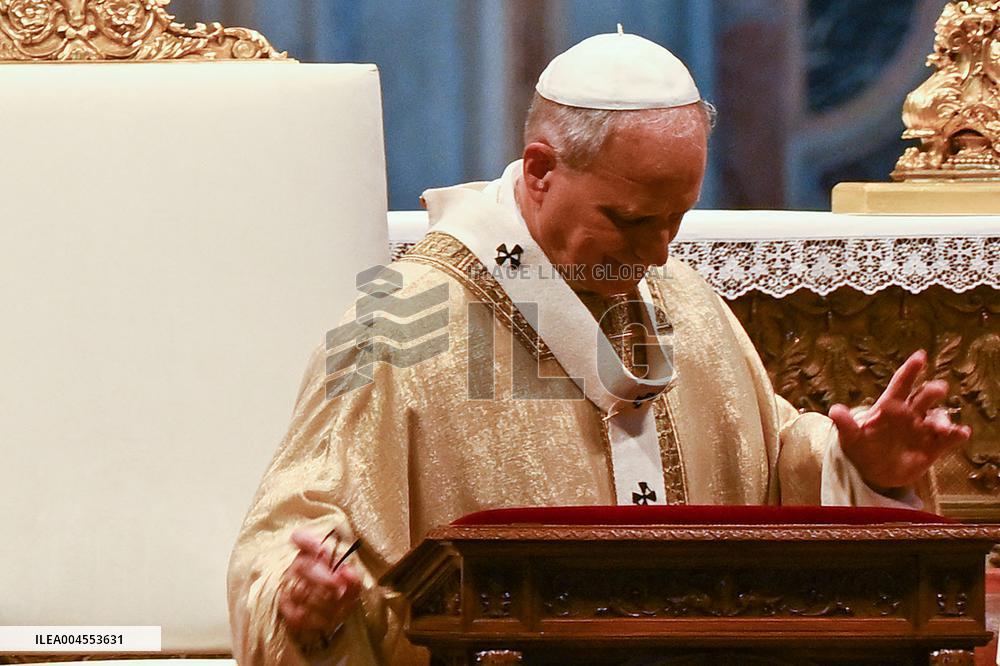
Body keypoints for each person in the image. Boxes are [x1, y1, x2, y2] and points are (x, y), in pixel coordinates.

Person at [227, 31, 969, 665]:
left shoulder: (683, 300)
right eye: (631, 219)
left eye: (678, 217)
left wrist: (861, 469)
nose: (658, 251)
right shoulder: (402, 322)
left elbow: (771, 464)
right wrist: (302, 596)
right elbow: (290, 530)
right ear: (543, 170)